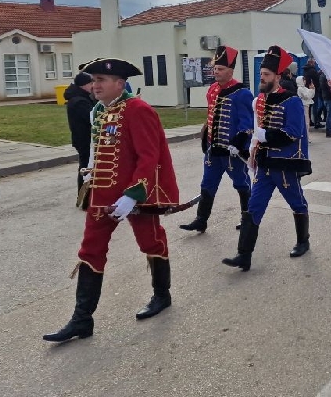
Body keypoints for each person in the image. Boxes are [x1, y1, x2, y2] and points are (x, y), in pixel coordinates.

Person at [43, 58, 180, 342]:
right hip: (102, 196)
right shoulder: (99, 112)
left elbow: (148, 156)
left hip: (134, 197)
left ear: (119, 83)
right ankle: (82, 320)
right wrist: (90, 182)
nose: (95, 85)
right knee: (89, 251)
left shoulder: (139, 110)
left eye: (101, 81)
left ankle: (161, 295)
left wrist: (133, 195)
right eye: (93, 81)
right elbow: (97, 154)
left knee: (151, 242)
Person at [222, 46, 312, 272]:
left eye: (266, 75)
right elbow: (255, 130)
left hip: (284, 164)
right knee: (253, 207)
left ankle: (303, 241)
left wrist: (266, 136)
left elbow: (294, 132)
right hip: (264, 164)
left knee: (297, 203)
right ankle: (244, 255)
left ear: (278, 77)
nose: (262, 78)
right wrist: (247, 145)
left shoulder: (291, 101)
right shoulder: (259, 100)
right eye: (261, 74)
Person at [180, 46, 253, 234]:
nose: (216, 72)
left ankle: (248, 218)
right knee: (207, 184)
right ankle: (201, 220)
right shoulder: (212, 89)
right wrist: (207, 137)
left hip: (232, 151)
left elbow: (247, 123)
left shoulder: (242, 93)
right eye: (215, 68)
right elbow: (211, 115)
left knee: (242, 184)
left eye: (220, 69)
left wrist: (239, 143)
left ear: (230, 71)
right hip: (214, 149)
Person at [64, 71, 94, 208]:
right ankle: (85, 200)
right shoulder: (79, 101)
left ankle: (85, 199)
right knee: (86, 169)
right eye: (91, 83)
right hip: (84, 139)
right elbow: (92, 118)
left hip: (83, 138)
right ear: (84, 85)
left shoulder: (81, 97)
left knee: (86, 167)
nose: (93, 86)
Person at [318, 69, 331, 137]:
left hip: (325, 96)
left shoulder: (321, 76)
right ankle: (329, 130)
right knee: (330, 116)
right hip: (330, 97)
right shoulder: (327, 77)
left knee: (329, 115)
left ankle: (330, 129)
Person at [296, 75, 315, 141]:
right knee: (306, 122)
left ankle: (307, 136)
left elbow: (311, 95)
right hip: (303, 106)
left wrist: (312, 89)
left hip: (306, 105)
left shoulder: (304, 88)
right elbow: (307, 96)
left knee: (307, 121)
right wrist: (311, 90)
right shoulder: (300, 89)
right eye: (303, 80)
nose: (305, 81)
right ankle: (305, 137)